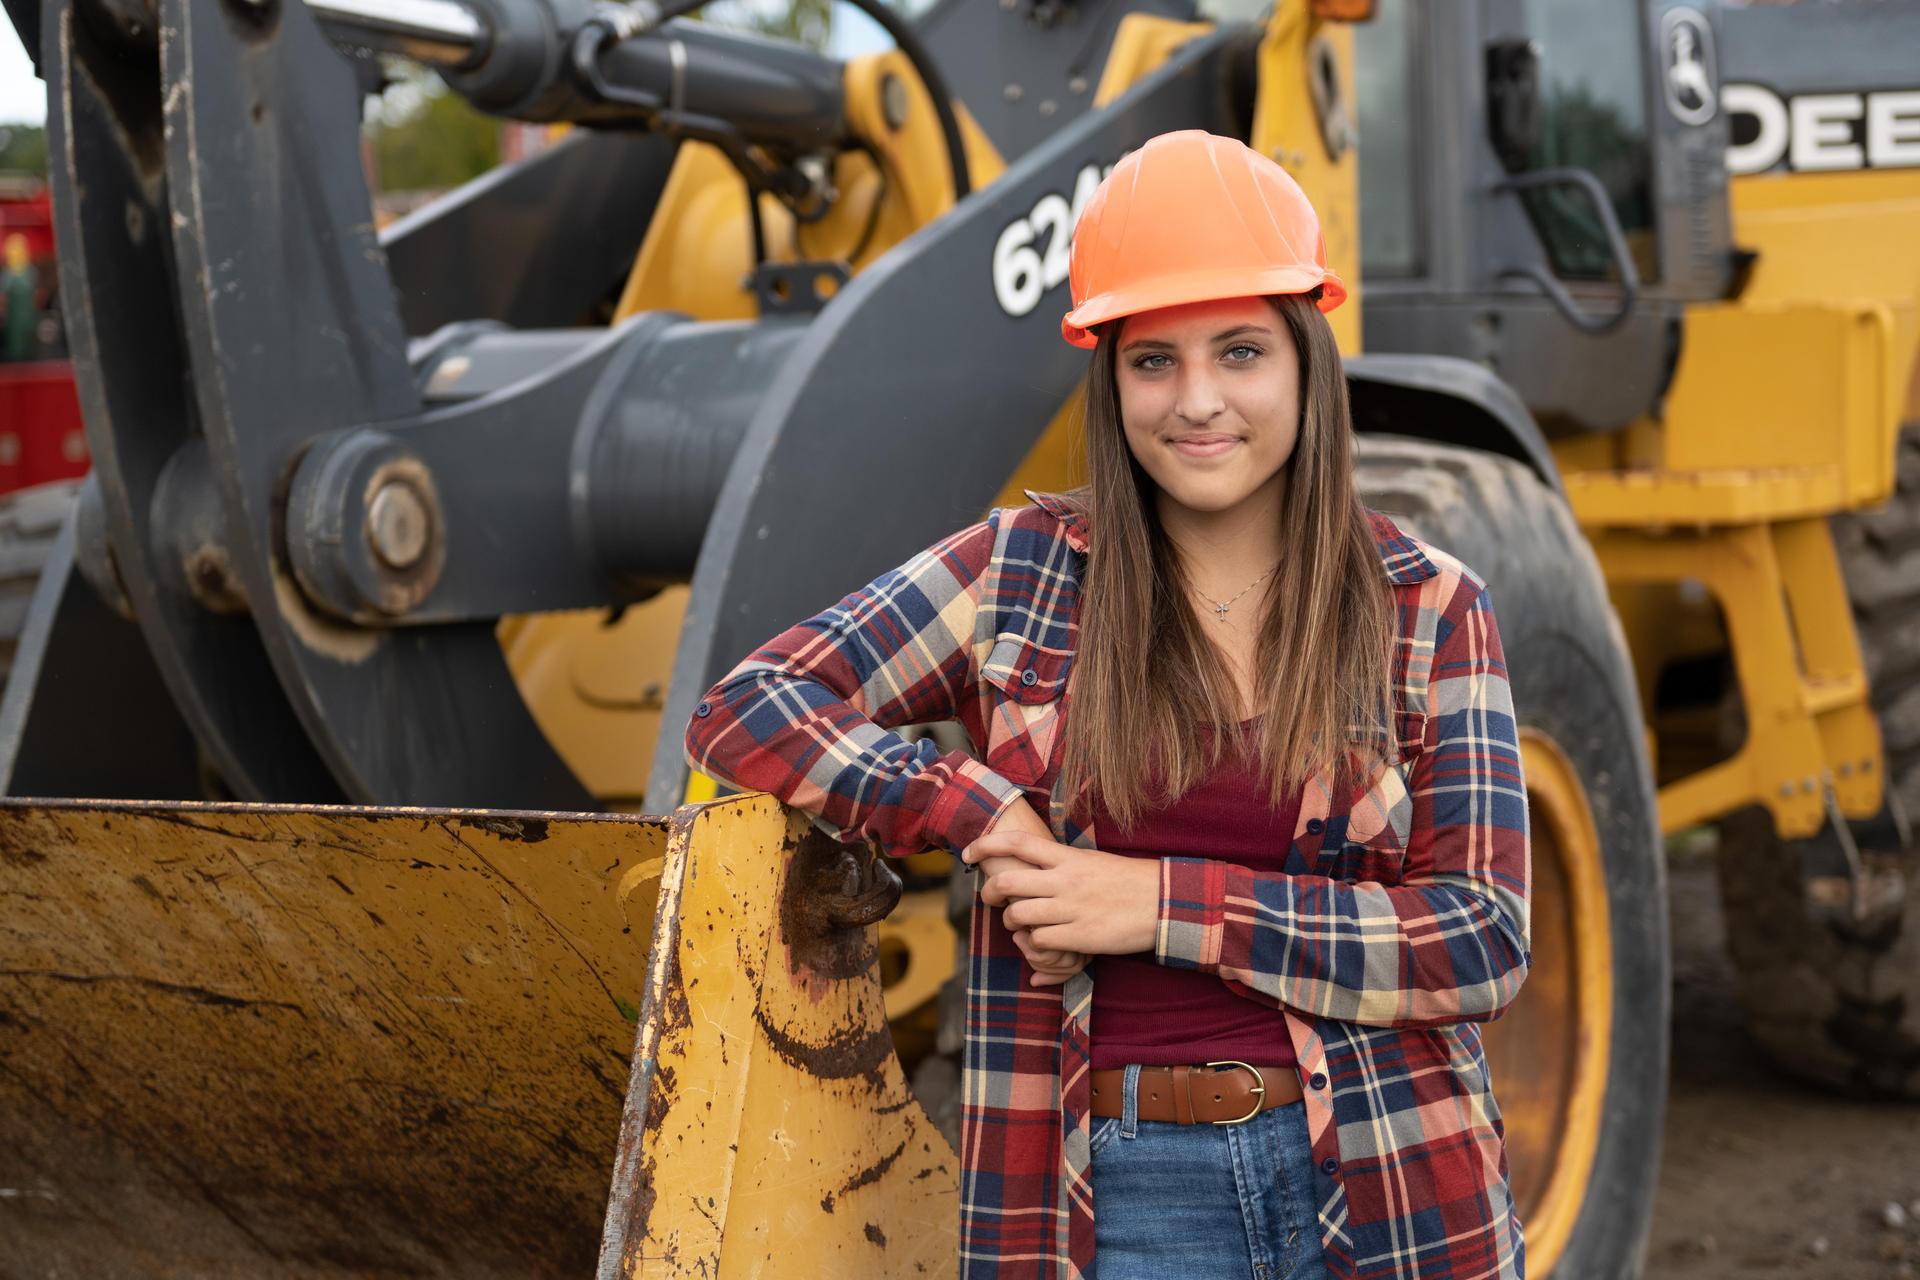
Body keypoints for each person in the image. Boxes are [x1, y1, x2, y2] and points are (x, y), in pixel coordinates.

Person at [684, 129, 1530, 1280]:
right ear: (1110, 375)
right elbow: (749, 702)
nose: (1197, 402)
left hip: (1392, 1176)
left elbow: (1479, 938)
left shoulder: (1427, 605)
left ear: (1305, 364)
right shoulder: (1021, 575)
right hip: (1119, 1194)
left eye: (1240, 352)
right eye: (1152, 360)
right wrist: (970, 808)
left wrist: (1154, 903)